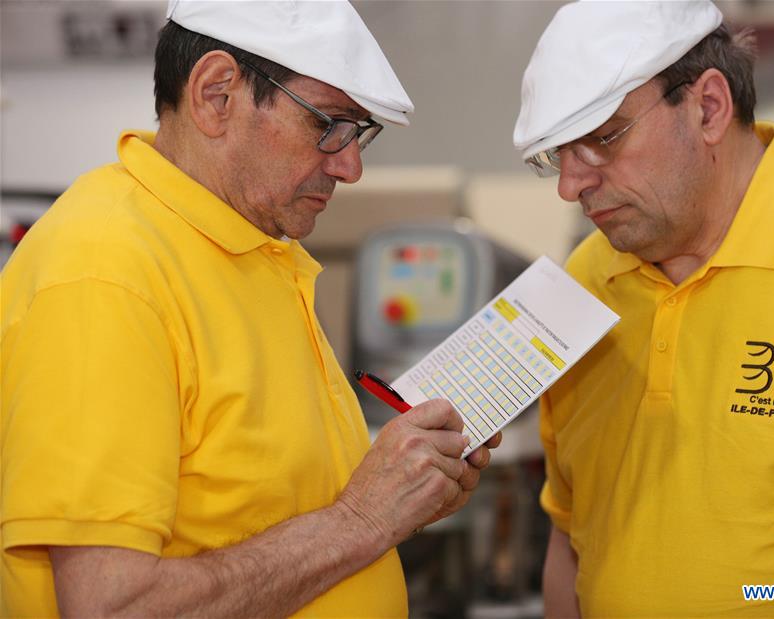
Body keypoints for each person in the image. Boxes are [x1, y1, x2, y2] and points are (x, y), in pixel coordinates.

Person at [0, 1, 500, 617]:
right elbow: (112, 606)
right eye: (331, 124)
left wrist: (405, 493)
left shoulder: (251, 245)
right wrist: (363, 519)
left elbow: (269, 507)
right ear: (216, 95)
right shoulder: (105, 274)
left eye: (358, 134)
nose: (351, 166)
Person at [513, 1, 774, 616]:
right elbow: (572, 537)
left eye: (599, 140)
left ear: (709, 107)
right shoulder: (580, 287)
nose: (569, 185)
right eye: (554, 156)